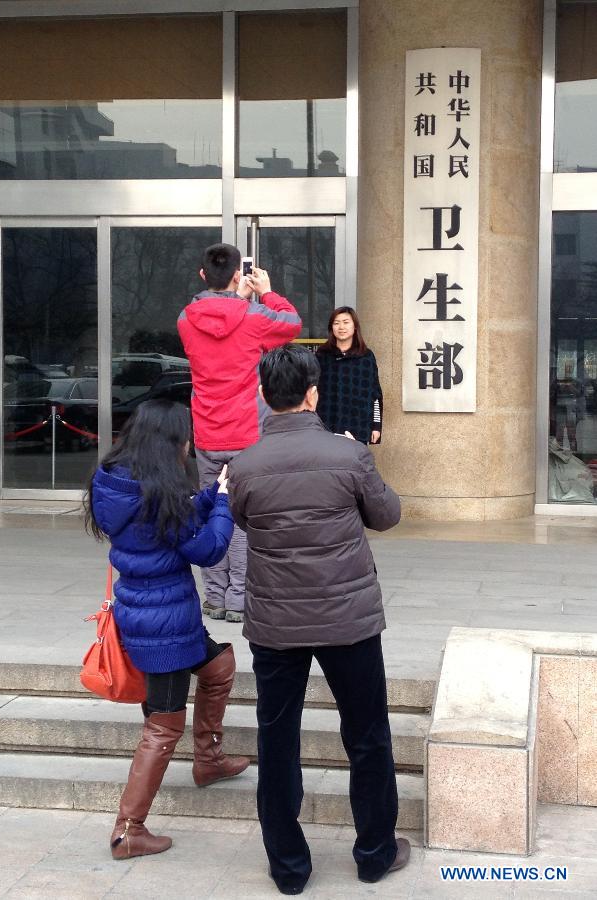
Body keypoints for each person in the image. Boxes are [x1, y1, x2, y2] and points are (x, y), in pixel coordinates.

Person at [228, 345, 408, 895]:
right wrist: (363, 463)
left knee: (277, 741)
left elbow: (241, 517)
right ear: (314, 394)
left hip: (277, 625)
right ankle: (375, 853)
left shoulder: (245, 465)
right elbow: (388, 514)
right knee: (368, 736)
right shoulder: (348, 456)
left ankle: (289, 868)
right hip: (347, 620)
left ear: (263, 396)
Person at [85, 398, 250, 861]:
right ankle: (128, 829)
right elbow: (210, 549)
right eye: (184, 438)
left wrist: (203, 496)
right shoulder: (159, 493)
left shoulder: (116, 481)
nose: (189, 446)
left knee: (219, 664)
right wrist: (220, 502)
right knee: (163, 721)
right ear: (170, 441)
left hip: (143, 611)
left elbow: (166, 525)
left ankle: (209, 759)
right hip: (166, 625)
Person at [177, 243, 302, 623]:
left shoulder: (185, 318)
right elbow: (291, 323)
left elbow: (219, 321)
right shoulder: (254, 315)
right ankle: (239, 601)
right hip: (247, 432)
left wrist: (237, 298)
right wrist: (265, 292)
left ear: (202, 274)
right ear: (238, 274)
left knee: (209, 511)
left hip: (207, 433)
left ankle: (213, 597)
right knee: (245, 519)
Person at [316, 306, 383, 444]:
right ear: (331, 328)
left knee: (356, 463)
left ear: (355, 326)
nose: (341, 327)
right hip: (326, 422)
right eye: (336, 323)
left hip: (358, 424)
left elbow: (375, 394)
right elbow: (311, 390)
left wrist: (376, 426)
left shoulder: (366, 357)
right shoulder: (322, 355)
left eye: (346, 322)